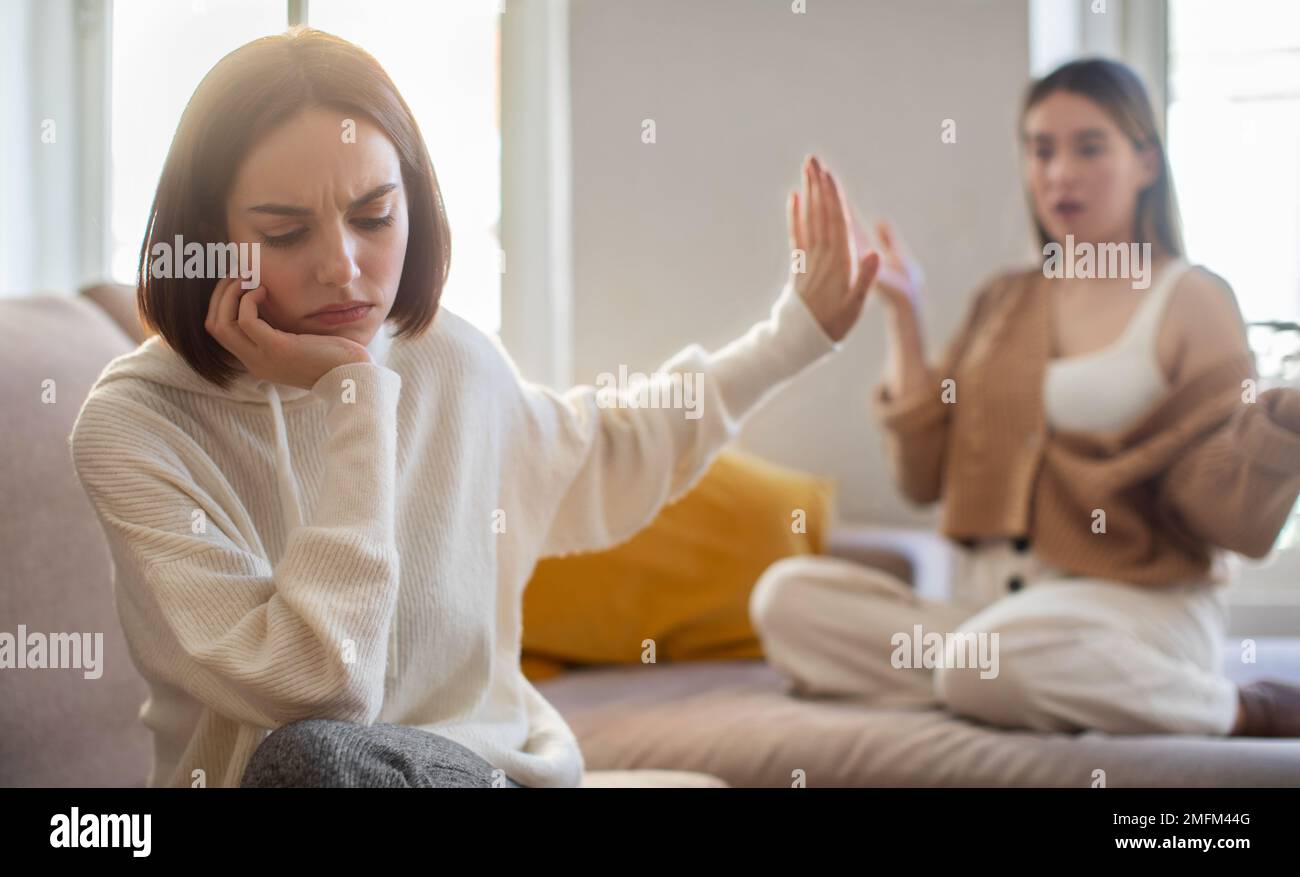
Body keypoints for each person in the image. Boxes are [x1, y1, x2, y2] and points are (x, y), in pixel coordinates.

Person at [69, 27, 881, 787]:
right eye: (285, 233)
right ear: (206, 234)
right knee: (307, 760)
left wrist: (793, 336)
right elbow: (321, 683)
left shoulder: (448, 359)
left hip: (487, 773)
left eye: (374, 216)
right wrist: (354, 397)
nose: (344, 268)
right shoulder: (137, 428)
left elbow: (612, 449)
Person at [750, 58, 1300, 738]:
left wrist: (1285, 422)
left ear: (1147, 162)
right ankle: (1001, 685)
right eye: (1041, 149)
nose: (1059, 172)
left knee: (988, 663)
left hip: (1134, 606)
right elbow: (921, 478)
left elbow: (1228, 506)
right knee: (787, 599)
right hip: (988, 615)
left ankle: (1241, 708)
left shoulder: (1192, 298)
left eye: (1088, 147)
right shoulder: (1005, 300)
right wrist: (904, 314)